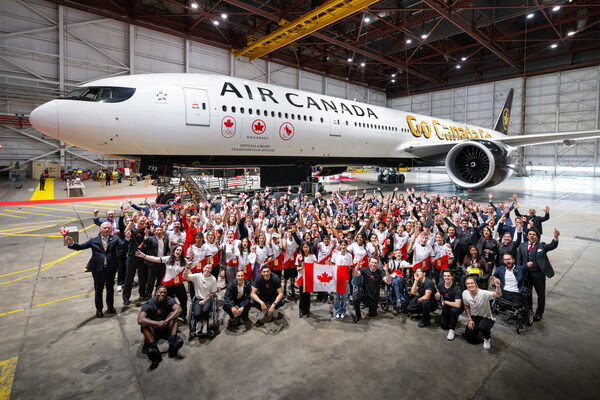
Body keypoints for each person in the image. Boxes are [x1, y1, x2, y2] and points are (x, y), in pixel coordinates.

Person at [66, 222, 129, 317]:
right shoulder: (93, 241)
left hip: (110, 269)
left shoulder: (115, 238)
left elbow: (123, 245)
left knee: (110, 289)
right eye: (105, 228)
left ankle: (110, 306)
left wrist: (127, 238)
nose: (107, 230)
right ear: (100, 229)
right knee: (98, 290)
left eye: (108, 228)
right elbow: (80, 247)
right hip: (98, 270)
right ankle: (99, 309)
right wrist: (72, 243)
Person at [136, 245, 188, 323]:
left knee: (184, 299)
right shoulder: (167, 259)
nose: (178, 252)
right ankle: (169, 317)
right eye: (177, 250)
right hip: (167, 284)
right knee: (169, 303)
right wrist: (144, 256)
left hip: (178, 284)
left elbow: (188, 270)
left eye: (180, 250)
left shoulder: (184, 261)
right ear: (174, 251)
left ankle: (182, 316)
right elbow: (155, 259)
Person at [516, 228, 560, 321]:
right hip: (526, 274)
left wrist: (555, 238)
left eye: (534, 235)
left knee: (541, 294)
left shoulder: (541, 246)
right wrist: (519, 272)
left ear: (537, 237)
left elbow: (552, 245)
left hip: (538, 275)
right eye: (530, 234)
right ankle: (529, 310)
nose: (532, 236)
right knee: (527, 294)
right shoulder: (522, 245)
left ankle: (539, 313)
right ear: (527, 236)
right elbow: (519, 261)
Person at [137, 286, 183, 363]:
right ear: (156, 292)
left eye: (164, 293)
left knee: (174, 316)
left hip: (165, 326)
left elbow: (179, 309)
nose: (162, 294)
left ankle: (172, 343)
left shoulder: (169, 299)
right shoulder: (149, 303)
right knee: (145, 324)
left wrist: (167, 320)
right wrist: (157, 323)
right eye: (160, 292)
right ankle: (154, 349)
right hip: (154, 330)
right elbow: (140, 320)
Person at [463, 276, 502, 350]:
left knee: (483, 327)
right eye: (468, 284)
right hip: (475, 317)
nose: (470, 285)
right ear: (466, 285)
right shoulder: (465, 293)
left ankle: (487, 339)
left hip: (486, 317)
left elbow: (498, 294)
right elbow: (466, 306)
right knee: (469, 338)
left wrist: (497, 285)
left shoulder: (483, 293)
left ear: (475, 284)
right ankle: (476, 329)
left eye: (472, 283)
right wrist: (469, 319)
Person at [351, 257, 391, 323]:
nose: (373, 264)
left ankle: (370, 306)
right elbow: (354, 274)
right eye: (372, 262)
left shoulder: (380, 272)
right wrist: (358, 266)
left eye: (375, 263)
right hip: (365, 294)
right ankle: (358, 315)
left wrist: (386, 271)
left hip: (374, 296)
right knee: (355, 297)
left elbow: (388, 282)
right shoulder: (365, 270)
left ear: (377, 264)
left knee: (372, 315)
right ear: (369, 263)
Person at [184, 263, 218, 335]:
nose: (207, 269)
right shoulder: (197, 276)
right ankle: (199, 323)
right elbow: (186, 277)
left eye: (209, 268)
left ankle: (205, 323)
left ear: (211, 270)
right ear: (203, 268)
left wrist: (205, 300)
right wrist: (187, 267)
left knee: (205, 310)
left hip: (208, 299)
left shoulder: (213, 279)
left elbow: (213, 293)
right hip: (198, 298)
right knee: (197, 313)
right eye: (206, 267)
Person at [435, 269, 463, 340]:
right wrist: (437, 296)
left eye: (448, 276)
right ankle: (450, 319)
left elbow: (458, 305)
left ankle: (452, 329)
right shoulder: (440, 284)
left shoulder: (457, 289)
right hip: (447, 306)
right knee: (443, 326)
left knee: (454, 310)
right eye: (445, 276)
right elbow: (438, 296)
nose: (446, 278)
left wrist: (445, 302)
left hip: (456, 307)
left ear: (452, 277)